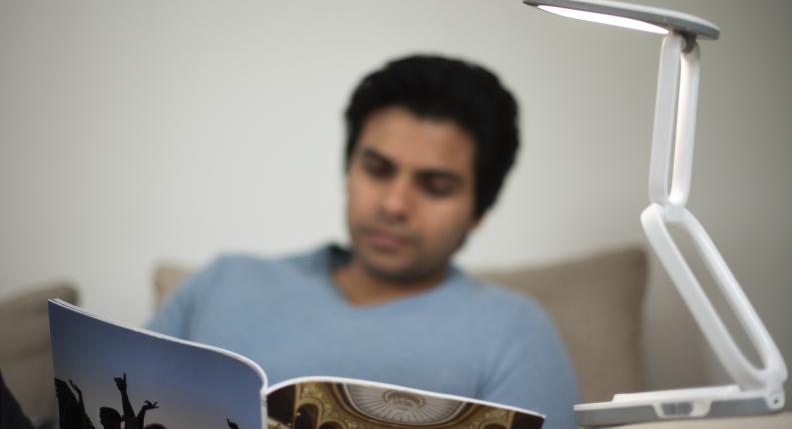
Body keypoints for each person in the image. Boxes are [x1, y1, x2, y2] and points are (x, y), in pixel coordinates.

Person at [148, 55, 579, 429]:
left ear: (478, 211)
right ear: (348, 172)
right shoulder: (223, 282)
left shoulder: (513, 332)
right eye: (377, 169)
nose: (394, 203)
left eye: (435, 186)